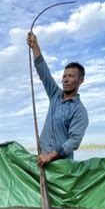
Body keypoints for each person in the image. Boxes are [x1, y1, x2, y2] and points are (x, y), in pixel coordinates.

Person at [26, 32, 89, 167]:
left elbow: (74, 141)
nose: (65, 80)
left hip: (62, 166)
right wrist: (35, 46)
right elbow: (44, 72)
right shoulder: (55, 95)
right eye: (64, 76)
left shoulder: (79, 111)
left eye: (71, 76)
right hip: (41, 159)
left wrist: (51, 156)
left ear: (81, 80)